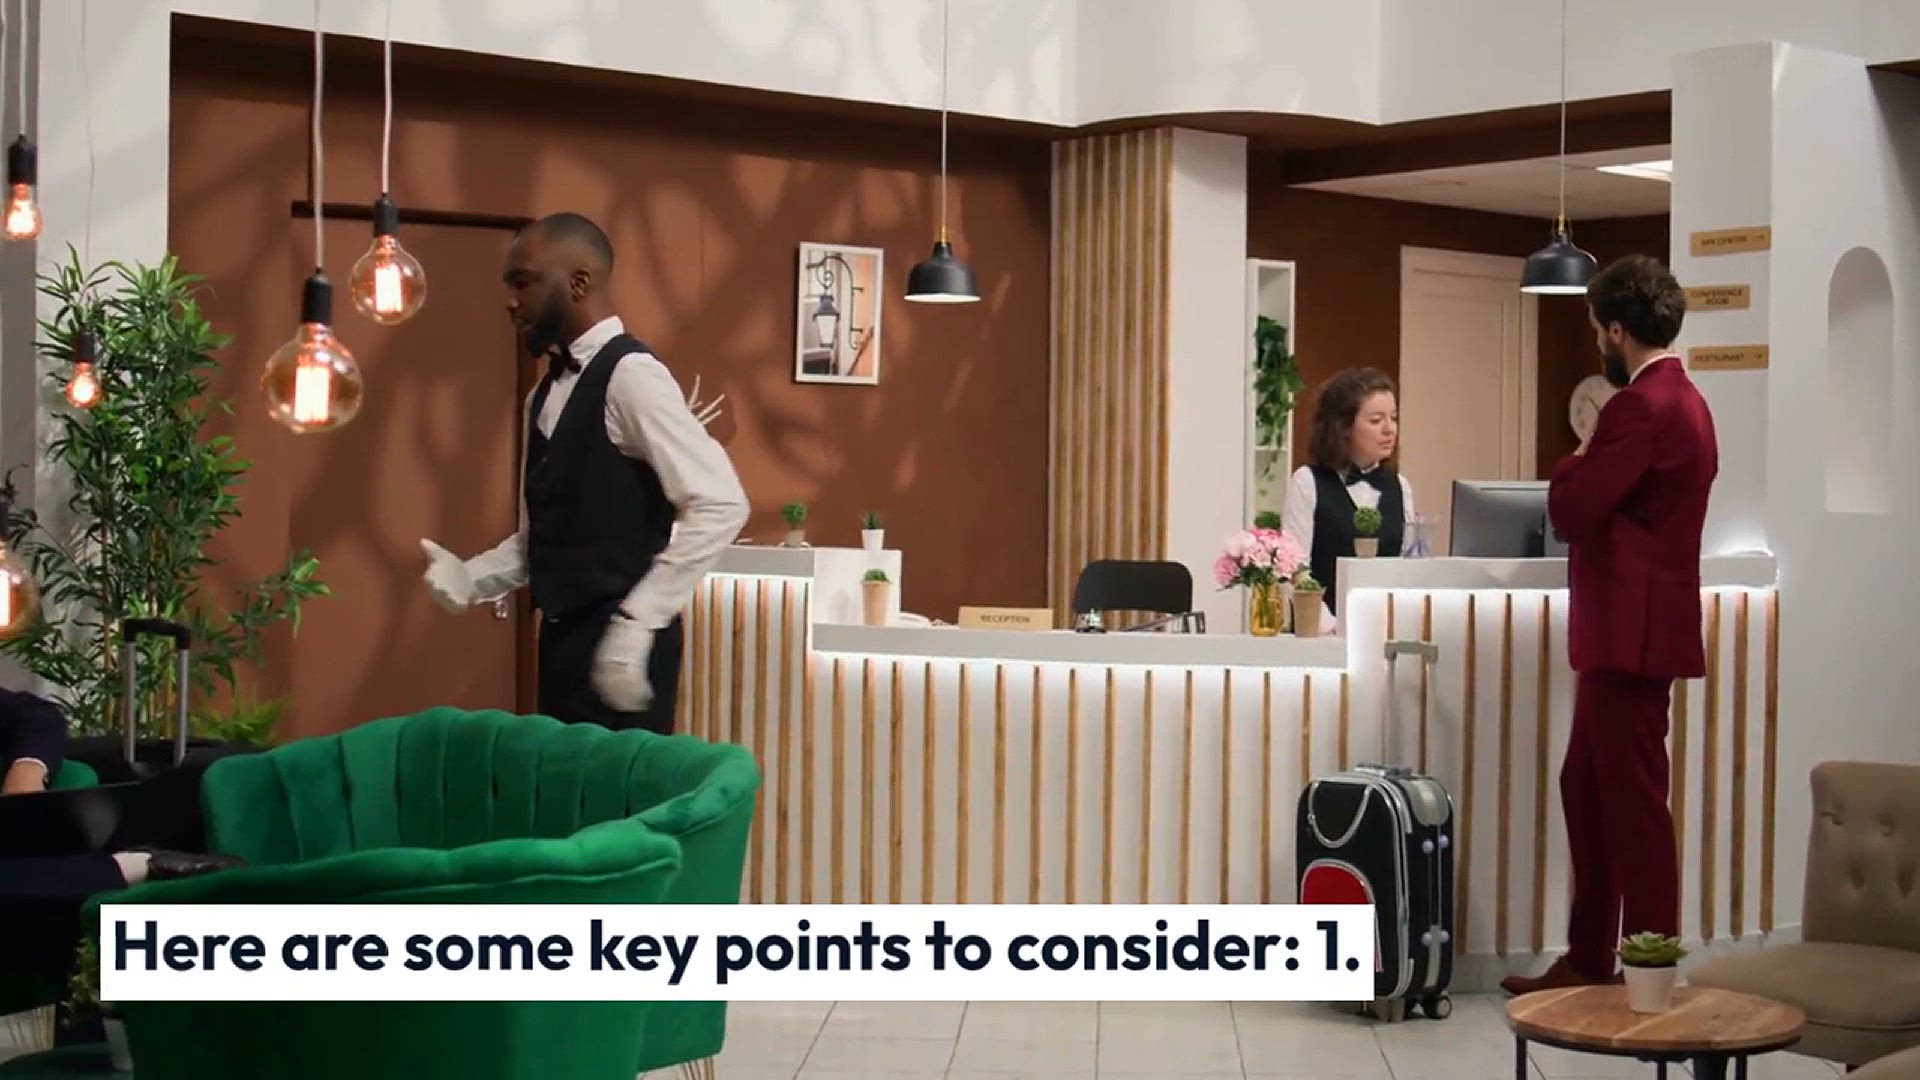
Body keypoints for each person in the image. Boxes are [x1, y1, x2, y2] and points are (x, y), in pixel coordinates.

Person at [420, 212, 749, 734]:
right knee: (560, 786)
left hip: (626, 652)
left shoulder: (632, 378)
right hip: (560, 645)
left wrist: (639, 621)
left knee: (619, 788)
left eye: (523, 282)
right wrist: (472, 577)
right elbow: (549, 536)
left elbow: (721, 502)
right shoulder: (540, 396)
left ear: (578, 283)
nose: (511, 301)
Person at [1502, 254, 1715, 994]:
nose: (1598, 338)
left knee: (1632, 805)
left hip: (1628, 635)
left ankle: (1648, 969)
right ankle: (1590, 957)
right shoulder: (1689, 400)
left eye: (1598, 326)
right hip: (1640, 633)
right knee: (1588, 788)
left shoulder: (1637, 407)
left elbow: (1572, 510)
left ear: (1618, 329)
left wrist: (1575, 460)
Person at [1279, 368, 1414, 632]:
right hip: (1319, 633)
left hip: (1383, 631)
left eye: (1393, 418)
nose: (1389, 429)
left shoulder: (1400, 487)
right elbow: (1294, 567)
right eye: (1376, 420)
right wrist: (1330, 626)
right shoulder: (1308, 482)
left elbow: (1406, 566)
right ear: (1343, 427)